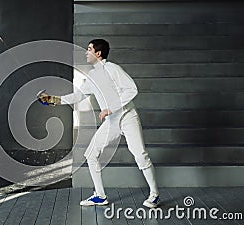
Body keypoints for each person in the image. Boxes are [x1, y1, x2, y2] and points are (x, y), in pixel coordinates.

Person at [37, 39, 160, 208]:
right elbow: (77, 96)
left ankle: (154, 195)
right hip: (111, 122)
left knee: (140, 154)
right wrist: (53, 100)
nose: (86, 52)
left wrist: (110, 108)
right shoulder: (92, 76)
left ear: (98, 53)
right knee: (91, 154)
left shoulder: (113, 69)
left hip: (127, 116)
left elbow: (132, 89)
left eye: (89, 49)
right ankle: (100, 196)